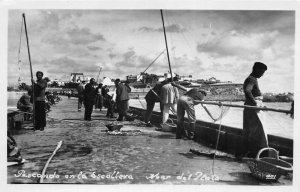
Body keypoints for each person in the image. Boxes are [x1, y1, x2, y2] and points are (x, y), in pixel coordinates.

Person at [241, 62, 268, 158]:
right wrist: (256, 104)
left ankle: (250, 153)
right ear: (256, 69)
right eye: (262, 72)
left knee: (251, 131)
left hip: (251, 107)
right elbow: (247, 91)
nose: (262, 74)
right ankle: (254, 154)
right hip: (254, 108)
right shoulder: (251, 79)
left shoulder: (252, 79)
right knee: (257, 132)